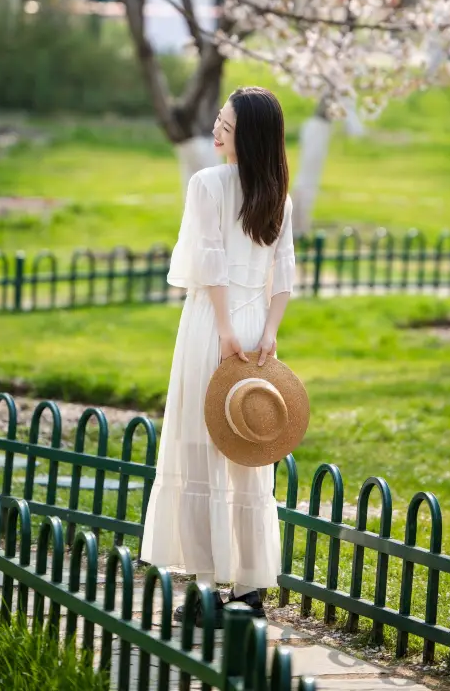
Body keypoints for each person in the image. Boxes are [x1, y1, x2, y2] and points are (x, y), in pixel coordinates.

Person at [140, 86, 296, 627]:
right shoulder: (279, 195)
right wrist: (268, 334)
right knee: (249, 449)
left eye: (225, 123)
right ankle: (249, 588)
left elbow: (207, 269)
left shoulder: (206, 184)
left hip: (214, 326)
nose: (215, 128)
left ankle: (205, 585)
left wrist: (227, 331)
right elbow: (285, 278)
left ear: (245, 134)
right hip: (257, 334)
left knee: (200, 443)